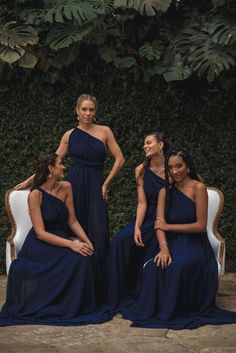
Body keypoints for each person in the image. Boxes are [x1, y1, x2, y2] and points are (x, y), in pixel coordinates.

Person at [121, 149, 236, 329]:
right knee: (154, 266)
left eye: (179, 166)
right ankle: (159, 309)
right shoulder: (164, 192)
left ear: (187, 166)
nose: (175, 171)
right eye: (171, 167)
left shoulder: (198, 188)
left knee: (178, 266)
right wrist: (164, 248)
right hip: (171, 242)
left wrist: (169, 227)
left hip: (195, 243)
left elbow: (200, 225)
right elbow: (159, 225)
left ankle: (176, 309)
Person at [14, 94, 125, 266]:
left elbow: (120, 159)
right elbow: (51, 162)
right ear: (77, 111)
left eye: (91, 109)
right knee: (74, 223)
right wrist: (30, 181)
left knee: (98, 230)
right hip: (75, 183)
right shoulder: (69, 135)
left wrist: (106, 183)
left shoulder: (105, 131)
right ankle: (74, 270)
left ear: (95, 111)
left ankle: (99, 280)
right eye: (84, 109)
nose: (88, 113)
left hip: (96, 184)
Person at [0, 153, 107, 326]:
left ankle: (80, 306)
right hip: (41, 243)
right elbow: (41, 232)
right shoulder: (35, 195)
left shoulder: (66, 187)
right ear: (51, 168)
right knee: (76, 259)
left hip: (60, 237)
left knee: (88, 255)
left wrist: (87, 241)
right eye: (60, 163)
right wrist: (72, 244)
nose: (64, 167)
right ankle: (63, 307)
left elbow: (72, 221)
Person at [101, 132, 171, 316]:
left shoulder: (173, 166)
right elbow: (142, 203)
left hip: (168, 218)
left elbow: (194, 183)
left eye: (149, 143)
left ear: (161, 145)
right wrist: (137, 227)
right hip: (147, 217)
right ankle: (115, 295)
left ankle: (144, 291)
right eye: (144, 143)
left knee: (154, 242)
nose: (145, 146)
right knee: (120, 239)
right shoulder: (140, 169)